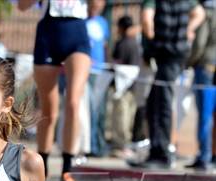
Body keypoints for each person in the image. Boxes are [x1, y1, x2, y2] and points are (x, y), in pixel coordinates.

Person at [18, 0, 91, 181]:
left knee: (74, 104)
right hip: (48, 37)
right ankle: (44, 169)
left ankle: (67, 170)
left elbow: (97, 8)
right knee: (49, 112)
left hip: (77, 36)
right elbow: (21, 6)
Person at [136, 0, 205, 169]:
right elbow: (200, 13)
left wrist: (152, 38)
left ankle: (162, 154)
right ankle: (158, 151)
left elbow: (146, 19)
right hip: (178, 52)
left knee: (161, 102)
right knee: (157, 101)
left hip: (165, 52)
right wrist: (188, 29)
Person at [185, 0, 216, 171]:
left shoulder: (207, 14)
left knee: (205, 115)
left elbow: (199, 44)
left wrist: (189, 62)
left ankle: (204, 156)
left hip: (205, 68)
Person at [111, 15, 141, 158]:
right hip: (133, 88)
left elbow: (116, 64)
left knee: (121, 118)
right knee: (127, 118)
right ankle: (124, 145)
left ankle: (121, 145)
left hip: (122, 88)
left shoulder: (122, 44)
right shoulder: (135, 44)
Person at [86, 0, 109, 157]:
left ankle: (99, 143)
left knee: (100, 109)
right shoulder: (82, 21)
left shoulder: (103, 22)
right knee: (90, 109)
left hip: (101, 71)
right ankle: (91, 145)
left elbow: (104, 45)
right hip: (87, 71)